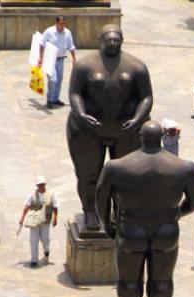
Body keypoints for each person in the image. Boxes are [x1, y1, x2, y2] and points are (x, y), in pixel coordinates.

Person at [95, 120, 194, 297]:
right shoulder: (184, 167)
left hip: (130, 229)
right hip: (166, 230)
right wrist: (176, 213)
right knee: (162, 280)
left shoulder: (117, 167)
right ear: (162, 137)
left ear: (139, 137)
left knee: (128, 281)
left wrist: (107, 225)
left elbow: (101, 199)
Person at [67, 24, 153, 229]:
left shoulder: (136, 66)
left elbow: (146, 97)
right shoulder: (84, 65)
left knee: (125, 176)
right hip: (88, 130)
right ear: (100, 40)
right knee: (88, 175)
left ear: (122, 40)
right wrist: (81, 114)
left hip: (126, 130)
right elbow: (74, 93)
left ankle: (120, 211)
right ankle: (90, 210)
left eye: (116, 39)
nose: (112, 43)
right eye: (108, 39)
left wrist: (137, 120)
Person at [18, 176, 58, 267]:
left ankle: (46, 250)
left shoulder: (51, 195)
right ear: (37, 185)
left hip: (45, 220)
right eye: (39, 185)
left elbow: (55, 206)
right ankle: (34, 259)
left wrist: (55, 218)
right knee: (33, 240)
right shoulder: (32, 195)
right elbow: (26, 206)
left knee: (45, 238)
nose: (41, 186)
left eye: (42, 184)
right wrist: (22, 217)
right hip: (34, 220)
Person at [38, 15, 76, 109]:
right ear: (56, 23)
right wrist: (40, 57)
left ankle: (55, 98)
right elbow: (42, 43)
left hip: (61, 59)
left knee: (59, 80)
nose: (62, 26)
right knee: (53, 80)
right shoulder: (49, 31)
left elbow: (71, 47)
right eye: (60, 24)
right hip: (50, 60)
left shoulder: (67, 33)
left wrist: (74, 59)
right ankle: (50, 99)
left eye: (64, 24)